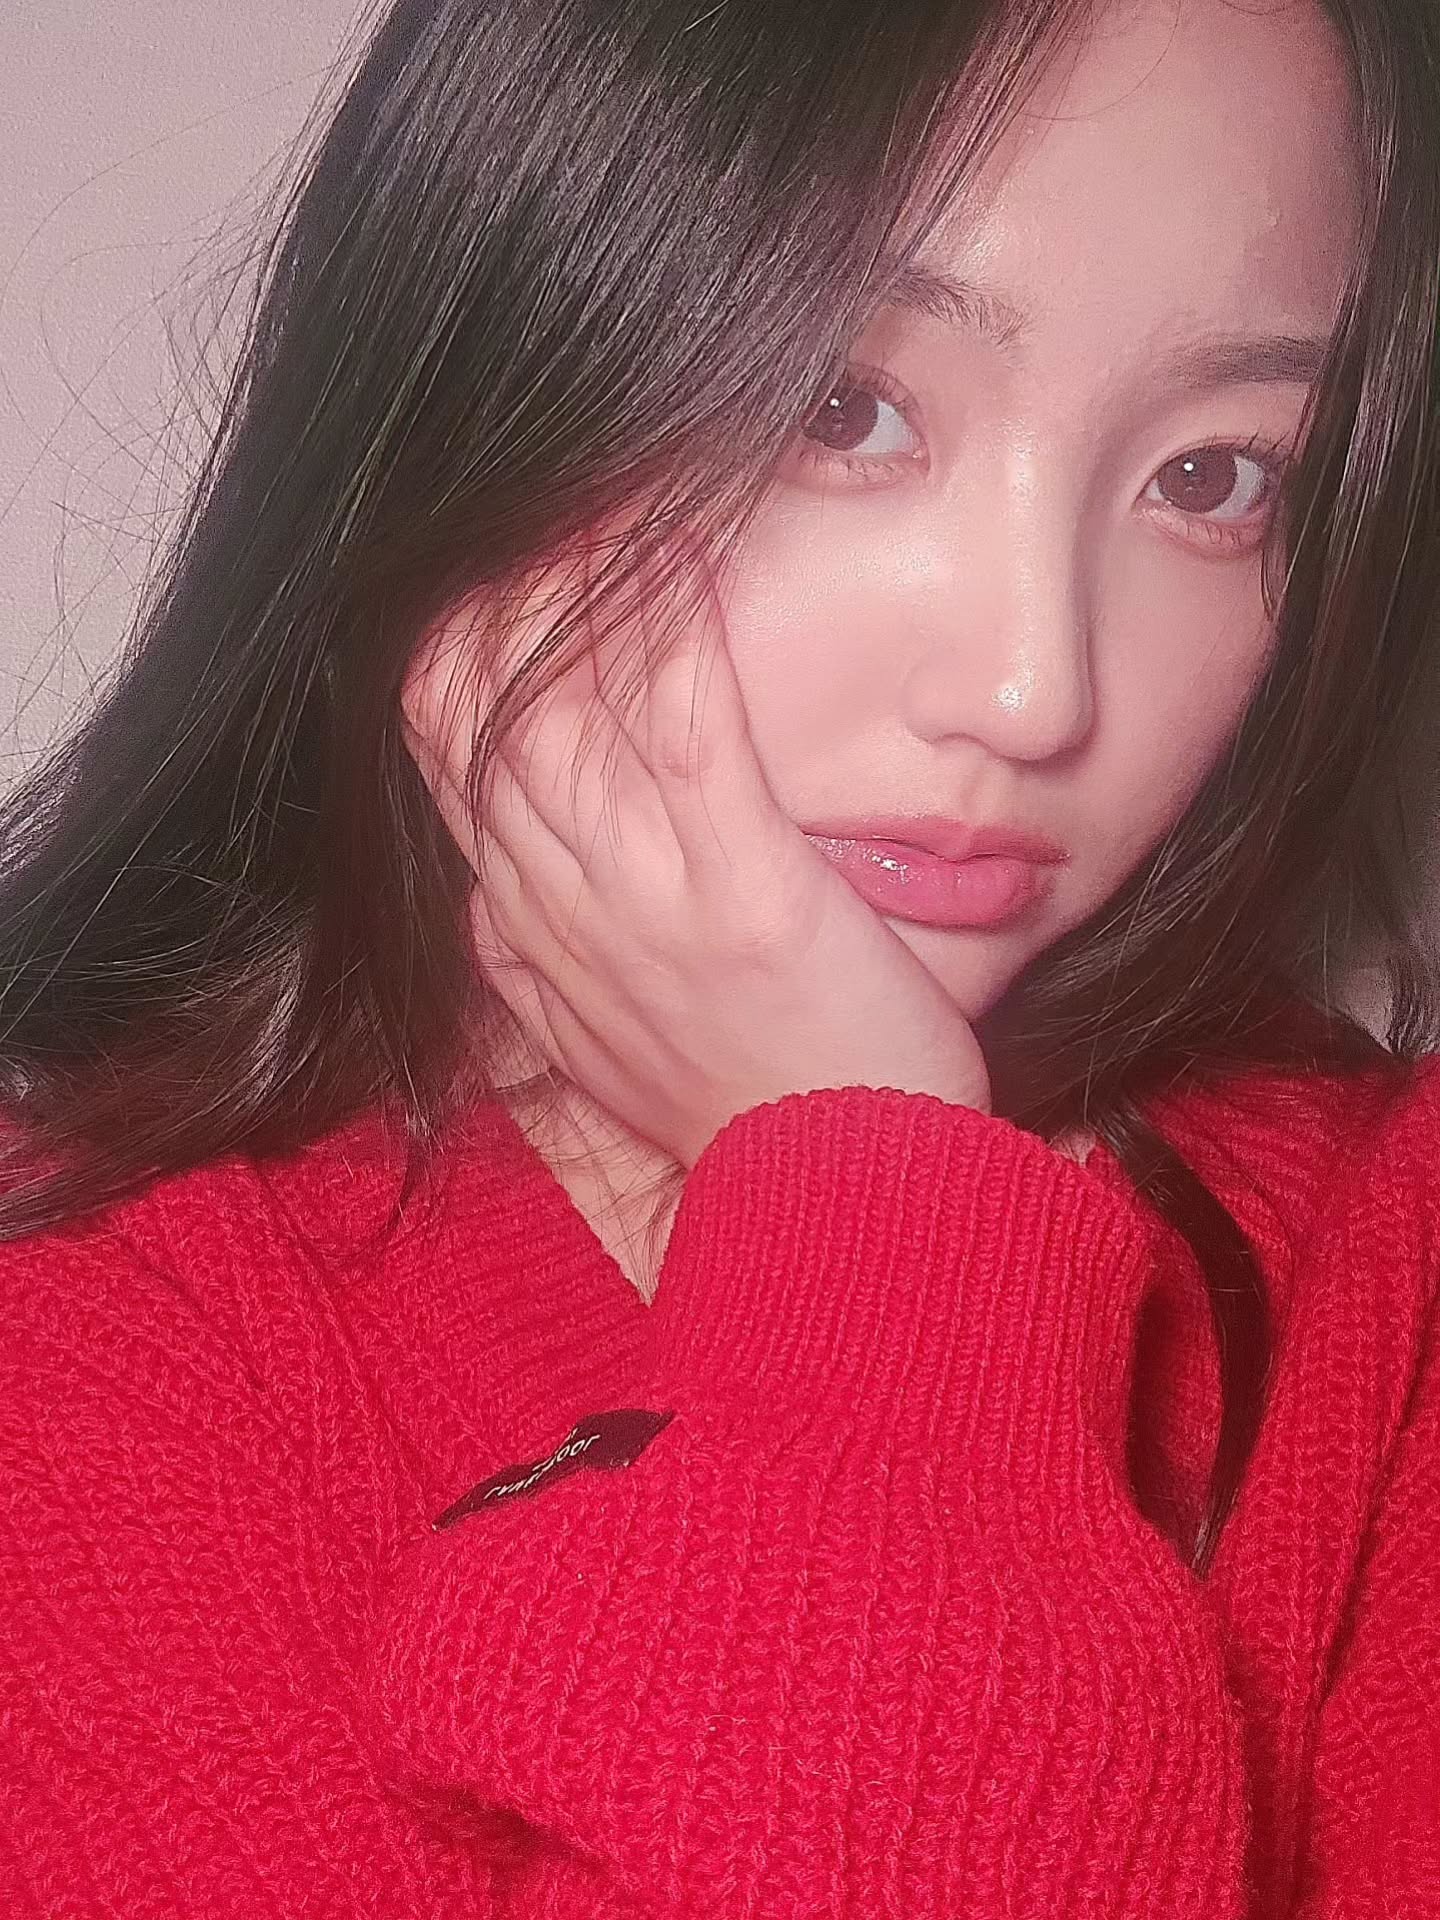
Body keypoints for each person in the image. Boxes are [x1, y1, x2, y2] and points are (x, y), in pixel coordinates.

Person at [0, 0, 1437, 1912]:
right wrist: (884, 1249)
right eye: (841, 409)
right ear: (467, 391)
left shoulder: (1395, 1270)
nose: (1035, 687)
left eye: (1216, 478)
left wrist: (862, 1205)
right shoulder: (87, 1362)